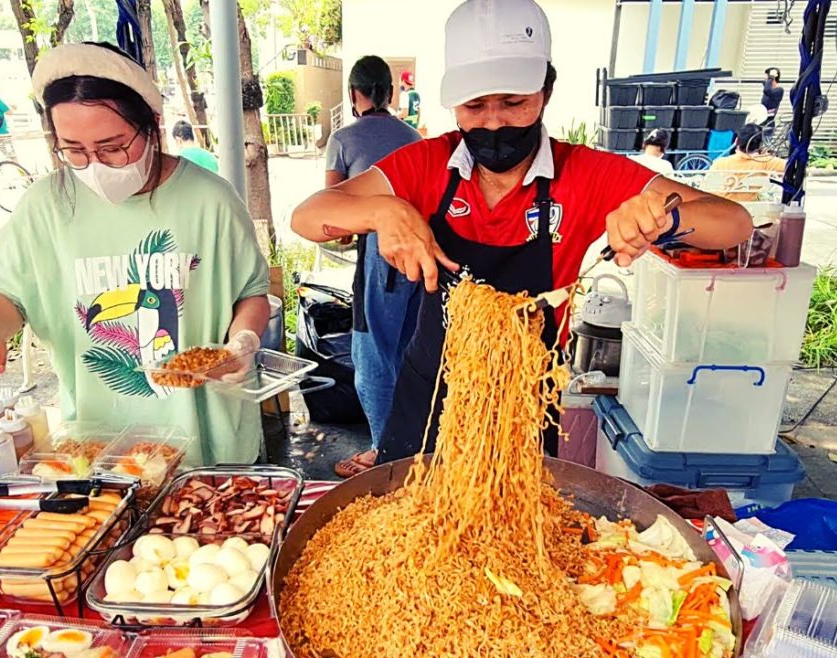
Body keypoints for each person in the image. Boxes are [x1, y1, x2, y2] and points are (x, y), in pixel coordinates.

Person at [291, 0, 751, 466]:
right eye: (474, 106)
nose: (493, 122)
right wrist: (382, 210)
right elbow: (309, 216)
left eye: (513, 102)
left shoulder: (586, 173)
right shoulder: (428, 164)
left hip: (524, 401)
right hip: (428, 395)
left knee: (510, 525)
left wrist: (664, 218)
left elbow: (734, 223)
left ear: (545, 91)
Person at [0, 42, 273, 465]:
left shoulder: (211, 199)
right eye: (75, 150)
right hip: (100, 445)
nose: (95, 164)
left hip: (208, 440)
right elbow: (3, 291)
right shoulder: (46, 205)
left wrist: (242, 342)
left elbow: (251, 292)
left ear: (153, 124)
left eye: (113, 146)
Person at [325, 55, 422, 478]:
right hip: (421, 254)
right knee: (409, 352)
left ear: (353, 94)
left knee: (370, 358)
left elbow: (331, 217)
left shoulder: (344, 139)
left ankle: (386, 454)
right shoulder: (416, 137)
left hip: (380, 257)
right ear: (390, 92)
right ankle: (413, 446)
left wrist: (354, 226)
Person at [708, 123, 785, 202]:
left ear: (736, 141)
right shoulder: (766, 162)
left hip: (719, 207)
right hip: (748, 209)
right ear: (760, 145)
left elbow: (707, 189)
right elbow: (790, 166)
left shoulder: (720, 163)